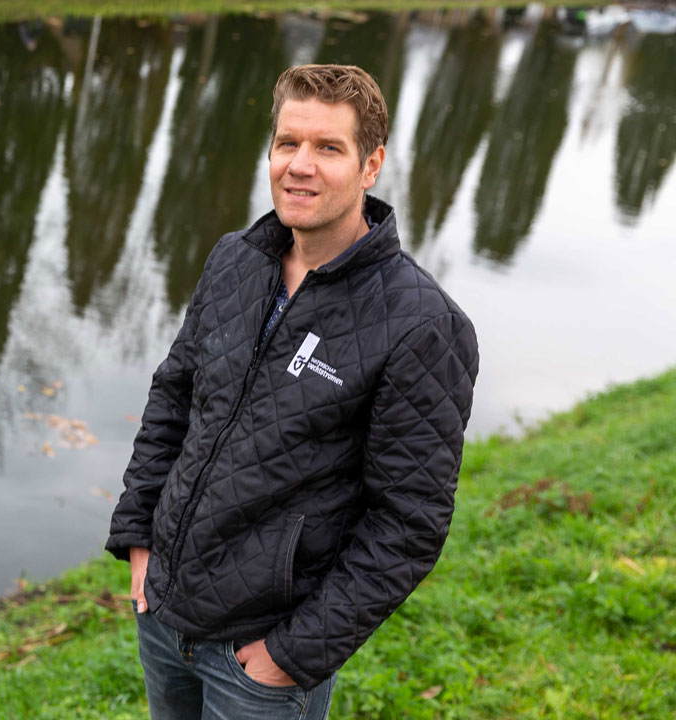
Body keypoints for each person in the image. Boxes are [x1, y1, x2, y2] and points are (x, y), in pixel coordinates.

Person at [106, 64, 480, 719]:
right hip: (163, 612)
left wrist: (291, 654)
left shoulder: (422, 325)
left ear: (370, 166)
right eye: (288, 143)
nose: (299, 165)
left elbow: (408, 522)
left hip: (260, 661)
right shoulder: (235, 259)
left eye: (328, 147)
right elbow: (173, 399)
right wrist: (140, 537)